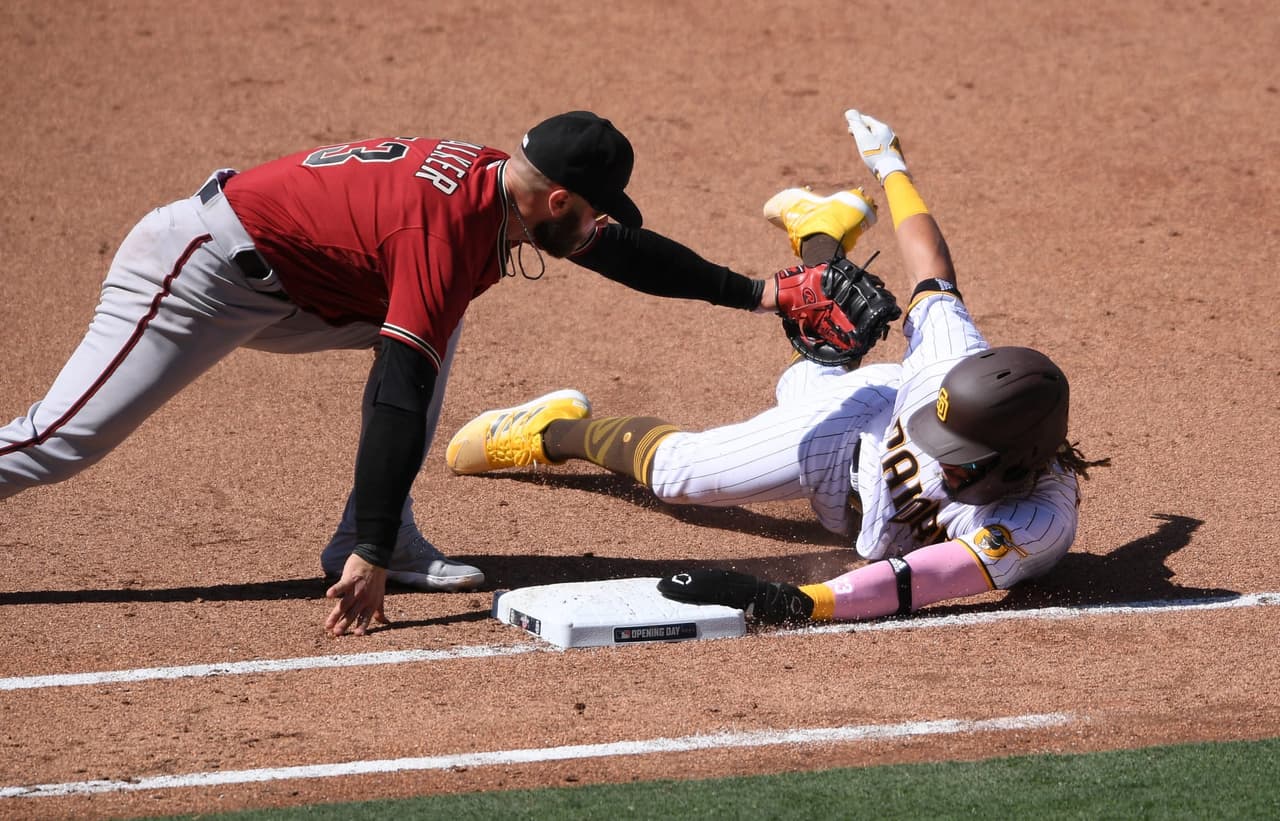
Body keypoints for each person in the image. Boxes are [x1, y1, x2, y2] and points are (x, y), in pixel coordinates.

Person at [0, 111, 803, 636]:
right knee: (65, 437)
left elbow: (625, 252)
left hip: (306, 284)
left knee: (429, 331)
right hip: (197, 270)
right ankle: (374, 537)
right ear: (558, 199)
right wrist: (373, 558)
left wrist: (759, 294)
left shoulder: (505, 187)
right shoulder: (447, 230)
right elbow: (395, 391)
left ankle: (365, 528)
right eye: (592, 211)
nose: (598, 226)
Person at [444, 108, 1108, 625]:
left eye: (959, 452)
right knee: (683, 474)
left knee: (807, 367)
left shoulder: (1036, 522)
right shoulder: (949, 369)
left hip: (850, 470)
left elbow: (924, 581)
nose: (941, 454)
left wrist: (796, 599)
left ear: (1017, 459)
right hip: (847, 434)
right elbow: (933, 272)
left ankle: (821, 229)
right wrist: (891, 165)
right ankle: (554, 430)